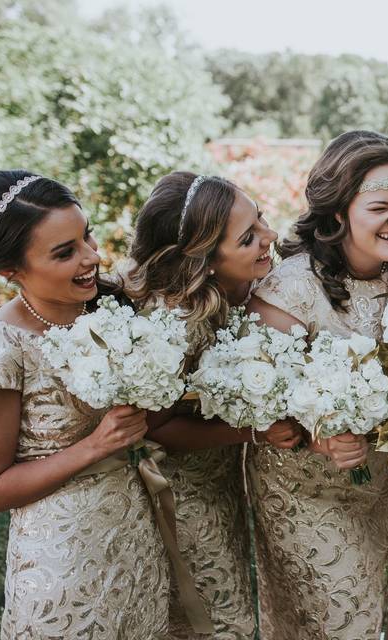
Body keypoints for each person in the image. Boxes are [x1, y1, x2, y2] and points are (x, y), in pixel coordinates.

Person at [244, 130, 388, 639]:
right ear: (340, 213)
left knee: (371, 612)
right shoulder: (290, 288)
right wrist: (318, 429)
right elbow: (255, 397)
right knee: (346, 620)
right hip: (304, 492)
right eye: (380, 207)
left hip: (381, 489)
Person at [0, 171, 171, 638]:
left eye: (86, 235)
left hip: (136, 538)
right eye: (64, 252)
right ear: (10, 270)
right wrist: (95, 446)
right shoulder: (4, 347)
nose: (92, 256)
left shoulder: (108, 309)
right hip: (61, 562)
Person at [125, 171, 294, 638]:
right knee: (223, 616)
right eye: (248, 238)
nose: (270, 236)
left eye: (259, 217)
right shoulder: (177, 321)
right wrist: (253, 431)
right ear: (207, 263)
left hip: (225, 475)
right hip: (184, 488)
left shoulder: (253, 284)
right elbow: (155, 427)